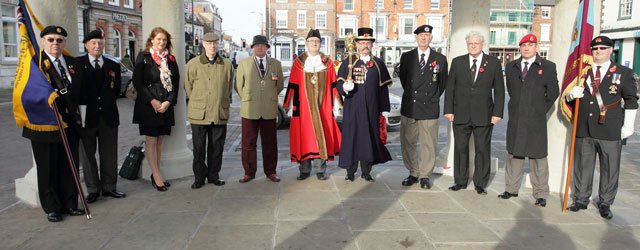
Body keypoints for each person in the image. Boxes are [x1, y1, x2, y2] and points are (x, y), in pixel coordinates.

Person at [565, 35, 638, 219]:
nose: (598, 52)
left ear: (610, 50)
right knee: (582, 165)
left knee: (610, 167)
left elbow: (631, 100)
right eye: (595, 49)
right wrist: (571, 96)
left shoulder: (623, 72)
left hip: (610, 128)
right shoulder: (583, 71)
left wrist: (628, 126)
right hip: (585, 127)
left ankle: (605, 202)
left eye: (603, 49)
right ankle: (581, 198)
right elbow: (569, 96)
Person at [23, 25, 85, 222]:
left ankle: (70, 203)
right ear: (43, 42)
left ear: (64, 43)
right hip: (45, 122)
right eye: (50, 40)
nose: (55, 44)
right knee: (47, 167)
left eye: (59, 40)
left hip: (69, 122)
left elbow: (80, 91)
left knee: (69, 164)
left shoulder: (72, 63)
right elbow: (26, 94)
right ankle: (52, 207)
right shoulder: (34, 64)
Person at [497, 34, 558, 207]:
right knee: (514, 155)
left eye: (530, 45)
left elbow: (553, 92)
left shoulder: (547, 66)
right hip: (516, 118)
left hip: (536, 120)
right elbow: (512, 91)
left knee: (538, 157)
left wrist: (539, 109)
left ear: (536, 47)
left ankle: (540, 193)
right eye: (523, 45)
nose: (526, 48)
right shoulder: (511, 66)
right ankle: (511, 188)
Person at [443, 31, 505, 195]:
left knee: (482, 150)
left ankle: (480, 183)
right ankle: (460, 181)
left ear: (482, 44)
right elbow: (450, 88)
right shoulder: (458, 62)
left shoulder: (493, 63)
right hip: (460, 114)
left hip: (484, 115)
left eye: (476, 43)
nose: (473, 46)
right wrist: (448, 110)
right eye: (470, 43)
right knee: (460, 148)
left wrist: (497, 113)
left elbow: (499, 90)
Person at [283, 28, 342, 181]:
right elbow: (293, 85)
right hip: (303, 109)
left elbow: (334, 85)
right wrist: (290, 106)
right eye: (311, 41)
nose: (314, 43)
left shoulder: (328, 63)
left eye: (317, 41)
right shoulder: (298, 63)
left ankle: (321, 170)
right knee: (303, 138)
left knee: (322, 137)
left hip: (323, 107)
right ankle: (304, 170)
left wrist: (336, 105)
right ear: (307, 43)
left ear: (320, 44)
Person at [336, 27, 392, 182]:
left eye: (368, 42)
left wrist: (385, 108)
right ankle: (350, 172)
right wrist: (345, 89)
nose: (365, 45)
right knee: (351, 139)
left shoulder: (378, 63)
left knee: (369, 139)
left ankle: (366, 172)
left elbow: (383, 89)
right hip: (353, 108)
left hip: (371, 109)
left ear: (372, 44)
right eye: (362, 42)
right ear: (357, 44)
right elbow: (338, 84)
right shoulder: (349, 62)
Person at [78, 29, 126, 203]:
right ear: (86, 45)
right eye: (93, 43)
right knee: (87, 154)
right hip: (86, 117)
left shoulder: (112, 65)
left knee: (109, 153)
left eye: (100, 42)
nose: (97, 46)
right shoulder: (77, 64)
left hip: (108, 116)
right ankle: (92, 189)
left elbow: (116, 90)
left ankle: (109, 187)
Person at [398, 24, 448, 189]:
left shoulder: (440, 59)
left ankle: (425, 175)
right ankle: (413, 172)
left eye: (427, 36)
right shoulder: (407, 57)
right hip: (410, 107)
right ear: (416, 38)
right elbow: (405, 81)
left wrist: (431, 98)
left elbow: (442, 84)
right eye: (421, 36)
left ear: (431, 38)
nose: (424, 38)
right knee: (408, 142)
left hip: (429, 108)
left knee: (429, 144)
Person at [132, 27, 180, 191]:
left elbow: (175, 85)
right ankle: (157, 175)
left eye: (164, 40)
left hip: (165, 106)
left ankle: (155, 173)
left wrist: (168, 102)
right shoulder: (144, 57)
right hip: (148, 106)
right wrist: (152, 101)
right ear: (152, 40)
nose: (161, 42)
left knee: (160, 140)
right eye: (158, 39)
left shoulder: (171, 60)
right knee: (151, 141)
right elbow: (137, 82)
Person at [185, 33, 233, 189]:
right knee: (199, 148)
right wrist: (199, 100)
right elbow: (188, 86)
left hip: (219, 112)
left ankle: (214, 175)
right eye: (209, 43)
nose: (212, 46)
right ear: (203, 44)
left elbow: (229, 85)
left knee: (217, 146)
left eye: (215, 43)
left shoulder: (226, 64)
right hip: (200, 113)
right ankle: (199, 177)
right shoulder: (193, 64)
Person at [235, 35, 284, 183]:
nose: (260, 48)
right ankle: (249, 172)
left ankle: (271, 171)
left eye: (263, 46)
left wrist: (269, 97)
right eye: (257, 46)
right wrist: (250, 98)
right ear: (252, 48)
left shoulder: (275, 64)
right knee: (248, 143)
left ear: (267, 48)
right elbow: (238, 86)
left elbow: (279, 85)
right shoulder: (244, 64)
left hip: (268, 108)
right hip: (250, 109)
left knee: (270, 143)